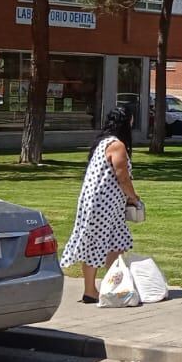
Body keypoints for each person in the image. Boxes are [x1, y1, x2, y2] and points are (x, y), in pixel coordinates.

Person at [62, 109, 141, 304]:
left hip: (103, 204)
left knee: (118, 241)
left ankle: (113, 286)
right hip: (103, 205)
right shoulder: (117, 146)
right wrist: (134, 198)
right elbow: (122, 176)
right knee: (97, 243)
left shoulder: (102, 143)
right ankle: (90, 291)